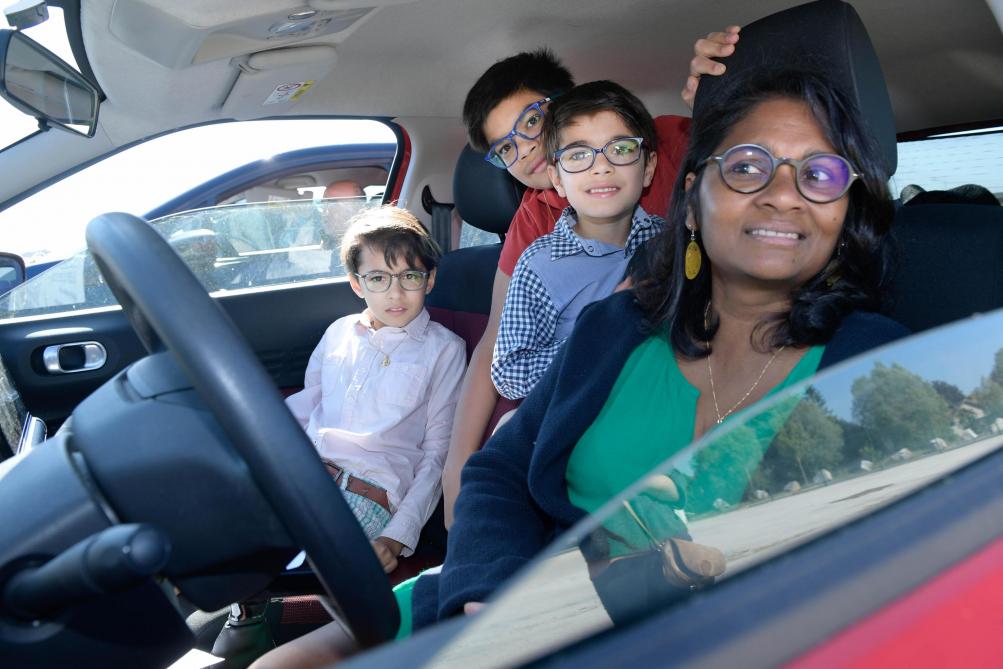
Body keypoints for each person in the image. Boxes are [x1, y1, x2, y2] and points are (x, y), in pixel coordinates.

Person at [413, 66, 910, 629]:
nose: (781, 197)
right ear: (693, 199)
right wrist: (486, 591)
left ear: (846, 214)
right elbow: (501, 472)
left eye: (818, 174)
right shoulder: (615, 325)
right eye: (748, 167)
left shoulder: (883, 366)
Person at [443, 27, 742, 525]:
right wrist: (457, 474)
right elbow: (498, 342)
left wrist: (720, 99)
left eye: (534, 120)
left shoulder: (663, 144)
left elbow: (750, 158)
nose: (529, 147)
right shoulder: (535, 228)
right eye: (507, 149)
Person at [284, 205, 466, 572]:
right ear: (357, 283)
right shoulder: (338, 333)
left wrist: (396, 537)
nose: (395, 294)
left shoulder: (445, 349)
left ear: (429, 280)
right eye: (379, 278)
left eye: (409, 277)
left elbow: (437, 454)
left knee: (303, 565)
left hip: (367, 494)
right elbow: (305, 411)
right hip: (303, 477)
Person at [491, 80, 665, 400]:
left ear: (649, 167)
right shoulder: (540, 264)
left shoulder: (670, 242)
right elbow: (510, 374)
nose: (601, 166)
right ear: (557, 179)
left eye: (621, 149)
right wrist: (597, 339)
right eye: (578, 154)